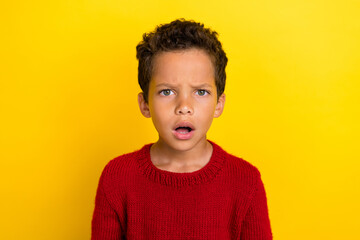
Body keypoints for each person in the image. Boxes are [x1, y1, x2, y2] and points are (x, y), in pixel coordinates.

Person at [91, 19, 272, 240]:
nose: (184, 107)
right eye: (167, 92)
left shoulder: (246, 182)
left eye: (200, 92)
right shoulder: (117, 177)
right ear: (144, 104)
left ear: (219, 104)